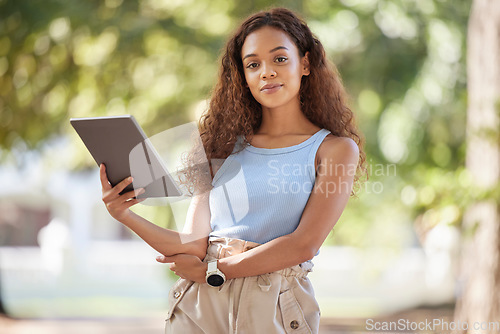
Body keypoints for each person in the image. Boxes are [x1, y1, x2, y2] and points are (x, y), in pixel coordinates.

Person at [100, 7, 366, 334]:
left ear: (305, 64)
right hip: (200, 302)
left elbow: (304, 244)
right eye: (253, 64)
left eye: (279, 59)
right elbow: (193, 244)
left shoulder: (335, 150)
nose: (266, 72)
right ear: (243, 75)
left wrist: (214, 269)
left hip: (272, 302)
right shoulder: (217, 145)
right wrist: (123, 214)